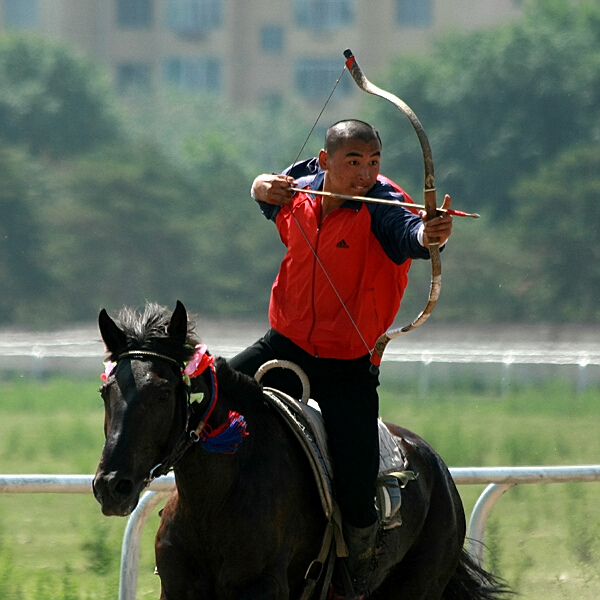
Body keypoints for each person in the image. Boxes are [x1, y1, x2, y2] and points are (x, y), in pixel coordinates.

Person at [229, 119, 452, 598]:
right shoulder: (301, 191)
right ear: (327, 162)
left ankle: (358, 568)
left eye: (374, 162)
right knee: (213, 394)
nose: (366, 173)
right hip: (283, 345)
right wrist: (258, 186)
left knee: (355, 485)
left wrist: (430, 236)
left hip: (347, 364)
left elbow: (408, 235)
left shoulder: (384, 207)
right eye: (354, 162)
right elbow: (271, 191)